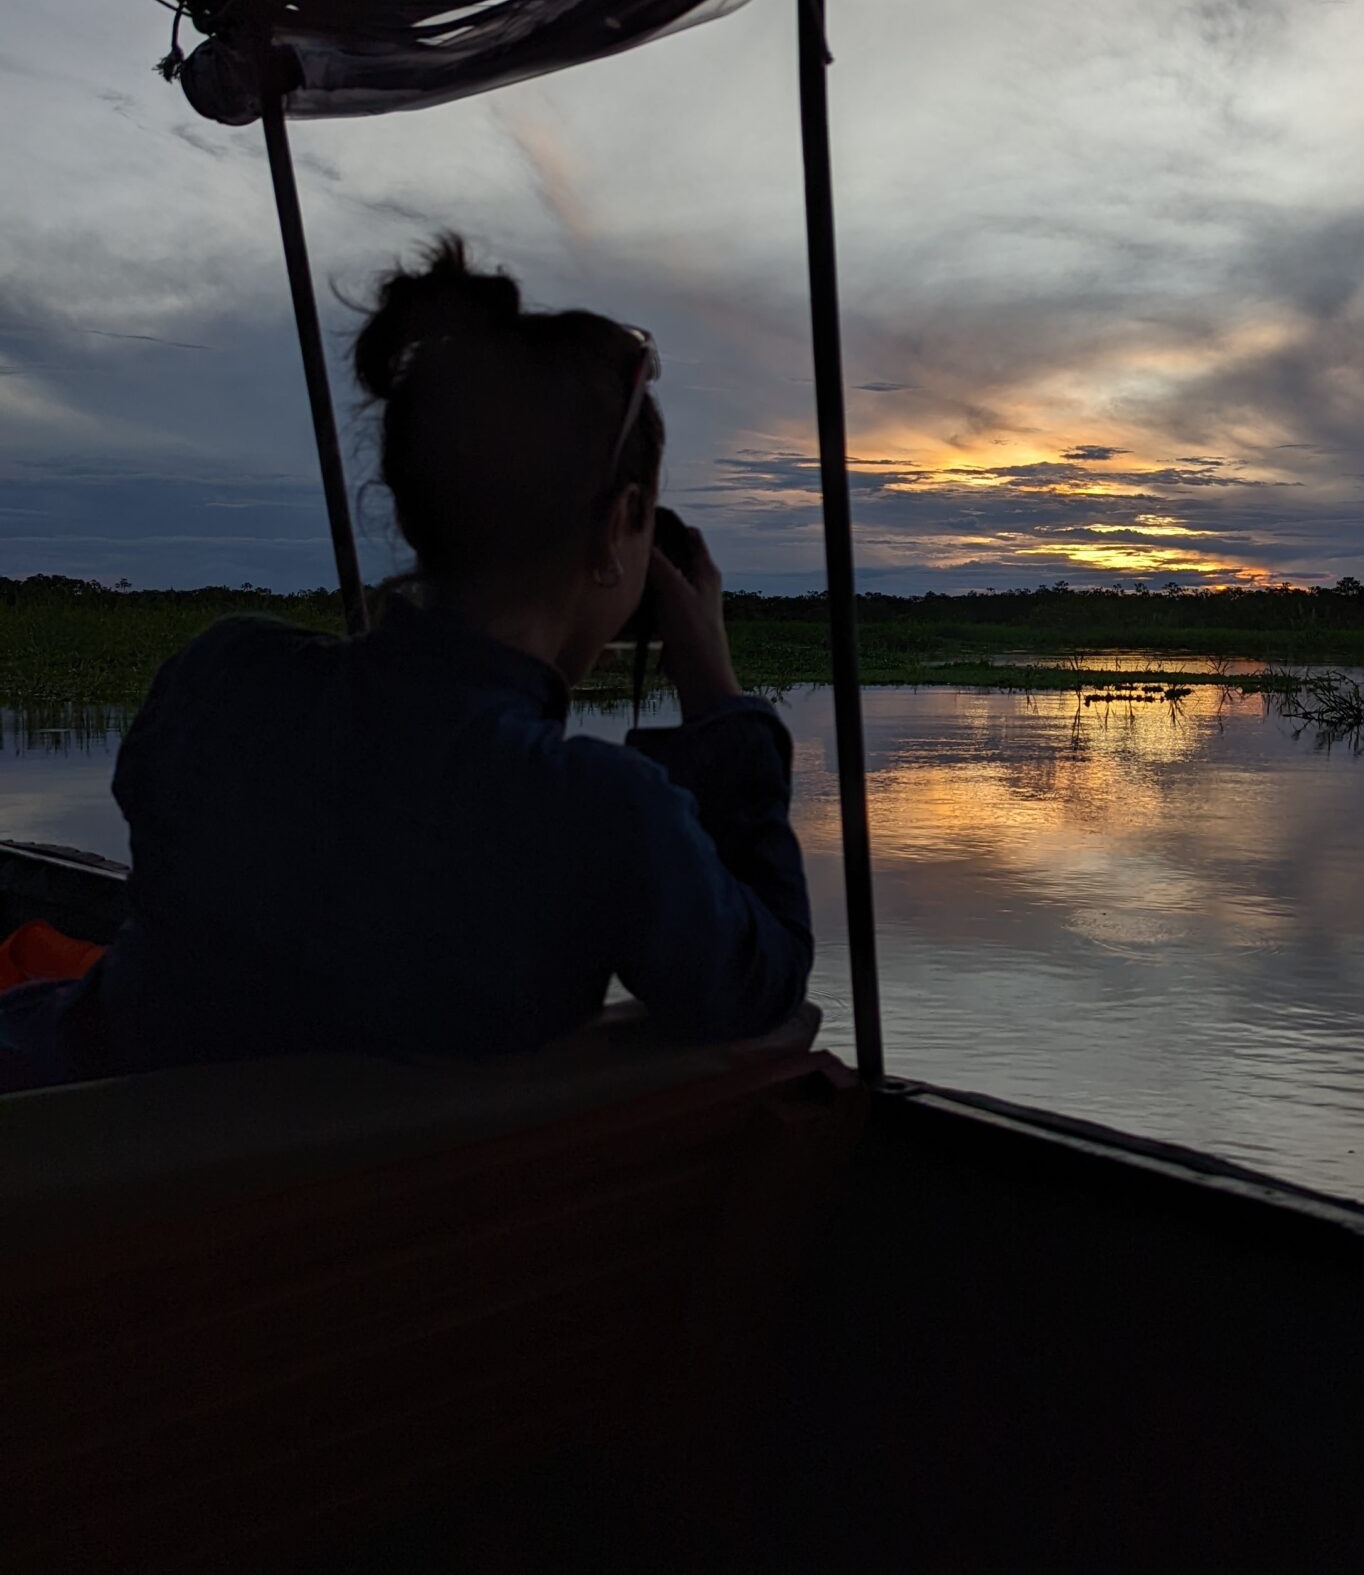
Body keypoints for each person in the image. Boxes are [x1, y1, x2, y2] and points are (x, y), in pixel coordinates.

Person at [0, 236, 812, 1085]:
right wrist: (717, 696)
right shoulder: (607, 818)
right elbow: (764, 976)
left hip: (90, 1158)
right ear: (622, 524)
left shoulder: (221, 684)